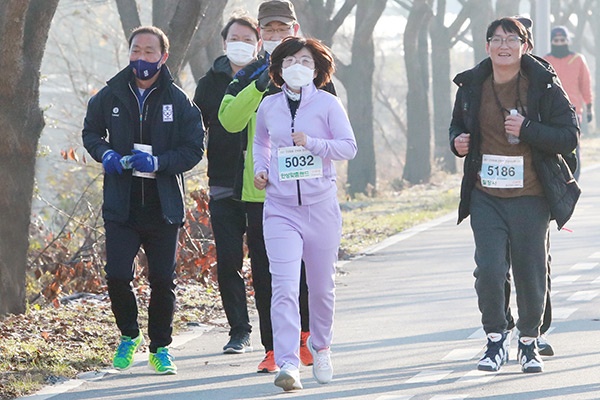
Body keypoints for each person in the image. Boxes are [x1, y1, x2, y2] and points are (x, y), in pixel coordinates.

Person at [449, 17, 580, 374]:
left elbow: (569, 136)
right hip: (486, 194)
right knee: (489, 271)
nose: (503, 45)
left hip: (531, 194)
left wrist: (528, 129)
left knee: (530, 272)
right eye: (496, 39)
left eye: (512, 39)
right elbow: (457, 126)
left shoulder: (544, 84)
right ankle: (495, 338)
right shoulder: (472, 85)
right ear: (487, 45)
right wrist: (457, 142)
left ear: (526, 46)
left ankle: (527, 341)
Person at [82, 26, 204, 375]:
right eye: (136, 50)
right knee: (118, 275)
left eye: (150, 52)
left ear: (163, 57)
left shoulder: (178, 100)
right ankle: (128, 334)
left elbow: (194, 148)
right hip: (121, 205)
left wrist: (160, 163)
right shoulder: (110, 95)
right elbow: (91, 131)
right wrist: (104, 153)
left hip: (163, 207)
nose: (142, 58)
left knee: (163, 281)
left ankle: (161, 347)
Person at [218, 0, 329, 373]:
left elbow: (335, 124)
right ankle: (273, 347)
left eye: (284, 29)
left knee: (306, 271)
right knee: (268, 273)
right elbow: (229, 120)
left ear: (295, 29)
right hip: (262, 192)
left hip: (311, 191)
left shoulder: (315, 67)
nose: (277, 36)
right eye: (270, 30)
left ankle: (307, 338)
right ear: (261, 34)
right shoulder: (249, 72)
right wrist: (260, 84)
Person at [254, 36, 357, 391]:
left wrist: (313, 143)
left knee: (321, 288)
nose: (297, 67)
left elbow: (348, 147)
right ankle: (288, 363)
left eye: (305, 62)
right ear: (279, 69)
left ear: (317, 70)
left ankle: (321, 346)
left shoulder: (328, 105)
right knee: (282, 287)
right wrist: (261, 169)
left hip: (321, 208)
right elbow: (260, 142)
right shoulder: (268, 106)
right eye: (290, 61)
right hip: (280, 208)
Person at [192, 12, 268, 366]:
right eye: (234, 38)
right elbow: (197, 129)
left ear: (258, 44)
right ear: (224, 43)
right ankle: (239, 330)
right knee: (228, 262)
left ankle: (272, 332)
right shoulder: (209, 83)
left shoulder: (270, 78)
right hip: (222, 181)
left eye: (247, 39)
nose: (241, 44)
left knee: (264, 260)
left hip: (262, 184)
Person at [544, 25, 593, 181]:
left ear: (568, 41)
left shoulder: (578, 60)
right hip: (550, 112)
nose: (559, 43)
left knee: (572, 147)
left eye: (562, 40)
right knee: (551, 146)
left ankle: (573, 180)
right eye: (556, 40)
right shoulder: (546, 61)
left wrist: (589, 107)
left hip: (573, 111)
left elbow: (585, 85)